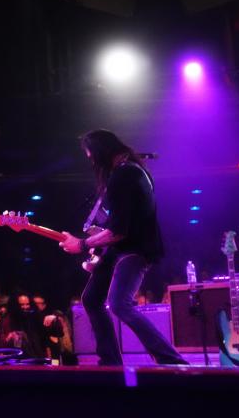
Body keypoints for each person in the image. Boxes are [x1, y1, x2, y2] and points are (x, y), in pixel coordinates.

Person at [60, 129, 187, 366]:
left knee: (119, 303)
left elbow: (119, 231)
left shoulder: (123, 175)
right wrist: (98, 236)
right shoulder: (129, 171)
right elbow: (122, 222)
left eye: (90, 155)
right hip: (121, 248)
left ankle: (170, 360)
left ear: (100, 152)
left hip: (133, 248)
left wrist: (84, 243)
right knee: (92, 299)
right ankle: (110, 360)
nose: (91, 161)